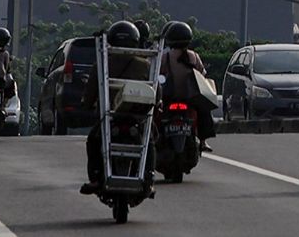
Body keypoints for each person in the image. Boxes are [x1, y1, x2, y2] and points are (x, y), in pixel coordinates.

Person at [80, 21, 156, 195]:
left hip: (110, 117)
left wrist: (86, 105)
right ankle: (149, 178)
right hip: (136, 116)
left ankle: (96, 178)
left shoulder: (102, 62)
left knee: (94, 140)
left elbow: (90, 92)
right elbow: (154, 93)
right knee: (149, 140)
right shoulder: (145, 64)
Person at [159, 21, 215, 152]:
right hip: (190, 98)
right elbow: (202, 75)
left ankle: (153, 138)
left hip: (169, 98)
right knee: (204, 110)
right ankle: (203, 141)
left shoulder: (165, 57)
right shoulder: (194, 56)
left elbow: (157, 75)